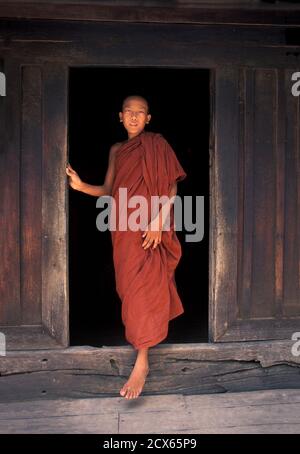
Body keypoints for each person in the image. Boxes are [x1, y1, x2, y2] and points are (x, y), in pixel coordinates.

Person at [66, 95, 187, 399]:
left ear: (149, 118)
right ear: (120, 116)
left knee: (147, 289)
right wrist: (81, 186)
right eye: (129, 112)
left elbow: (172, 186)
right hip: (123, 228)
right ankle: (142, 351)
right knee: (131, 290)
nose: (134, 117)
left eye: (140, 113)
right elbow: (109, 190)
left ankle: (142, 361)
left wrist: (159, 221)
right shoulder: (117, 150)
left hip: (151, 226)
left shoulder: (157, 144)